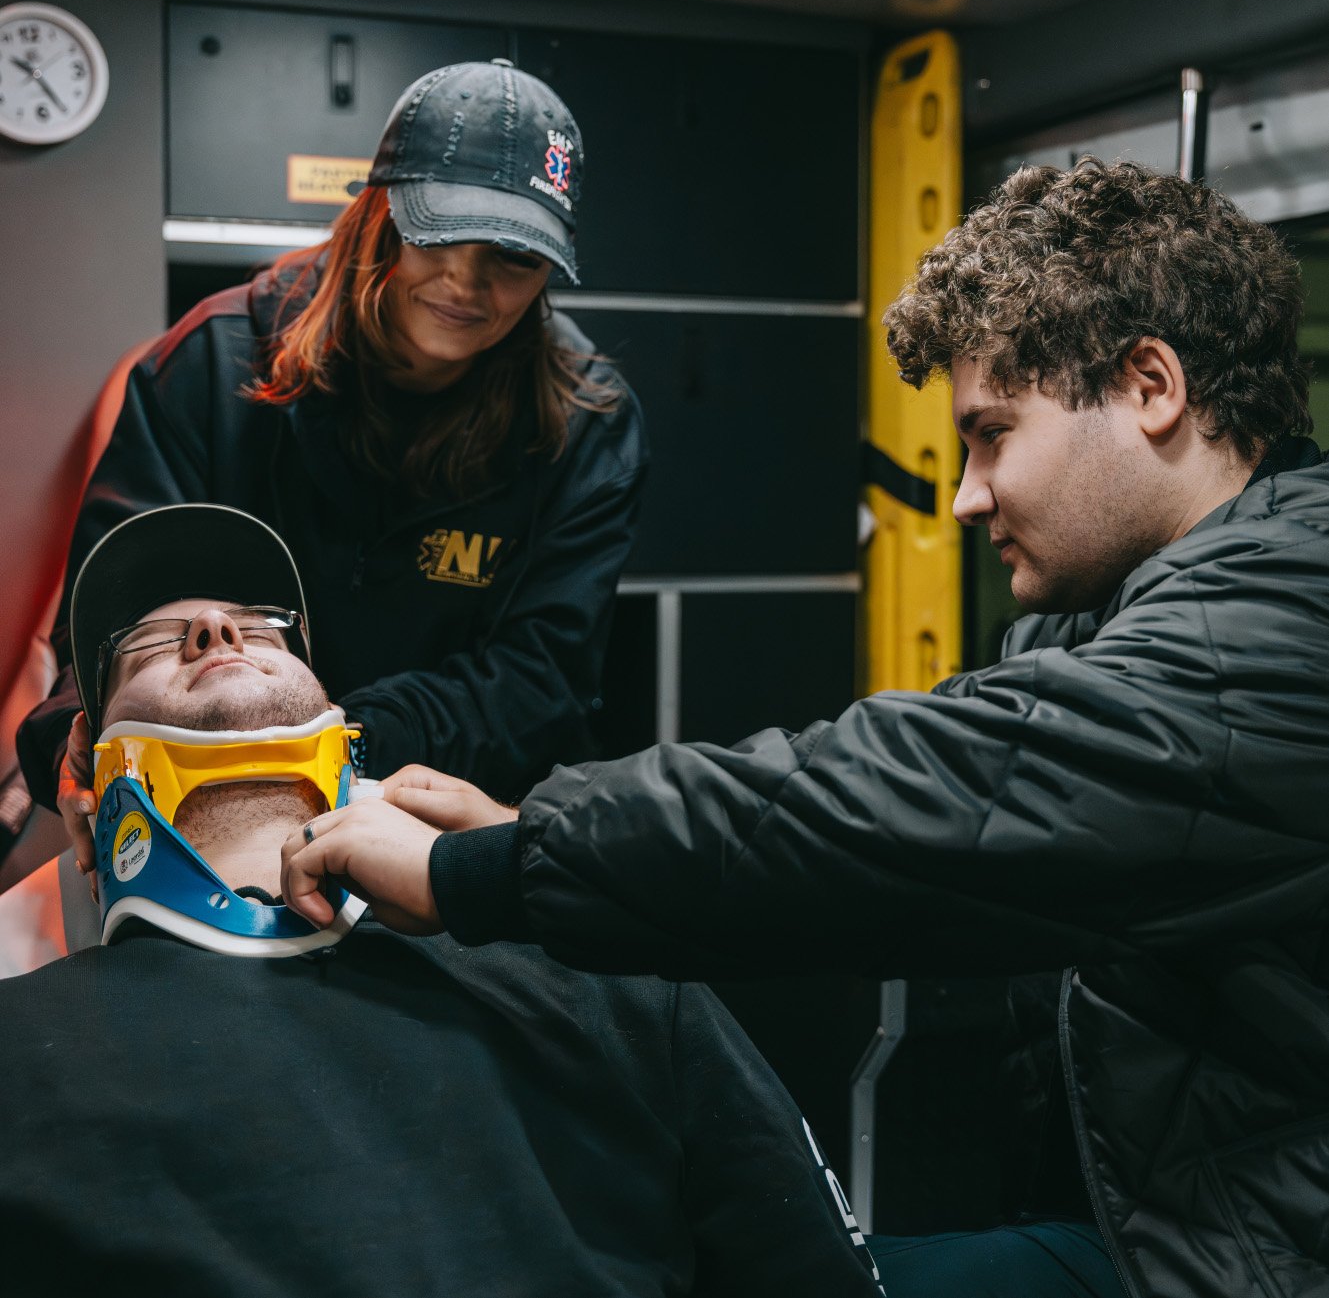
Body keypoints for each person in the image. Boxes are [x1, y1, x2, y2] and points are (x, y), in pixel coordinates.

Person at [279, 159, 1329, 1298]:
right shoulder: (1111, 623)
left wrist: (489, 871)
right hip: (1175, 1225)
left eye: (990, 433)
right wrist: (528, 828)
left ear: (1150, 386)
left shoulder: (1287, 625)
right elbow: (890, 845)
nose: (968, 495)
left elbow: (911, 801)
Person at [0, 502, 881, 1297]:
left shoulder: (599, 964)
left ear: (339, 720)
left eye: (267, 629)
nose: (218, 628)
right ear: (82, 787)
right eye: (151, 640)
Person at [15, 58, 647, 879]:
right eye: (438, 233)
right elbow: (110, 618)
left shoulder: (586, 420)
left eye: (511, 258)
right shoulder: (212, 365)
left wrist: (337, 746)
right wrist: (72, 740)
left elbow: (540, 681)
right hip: (204, 813)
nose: (466, 280)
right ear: (374, 212)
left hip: (442, 833)